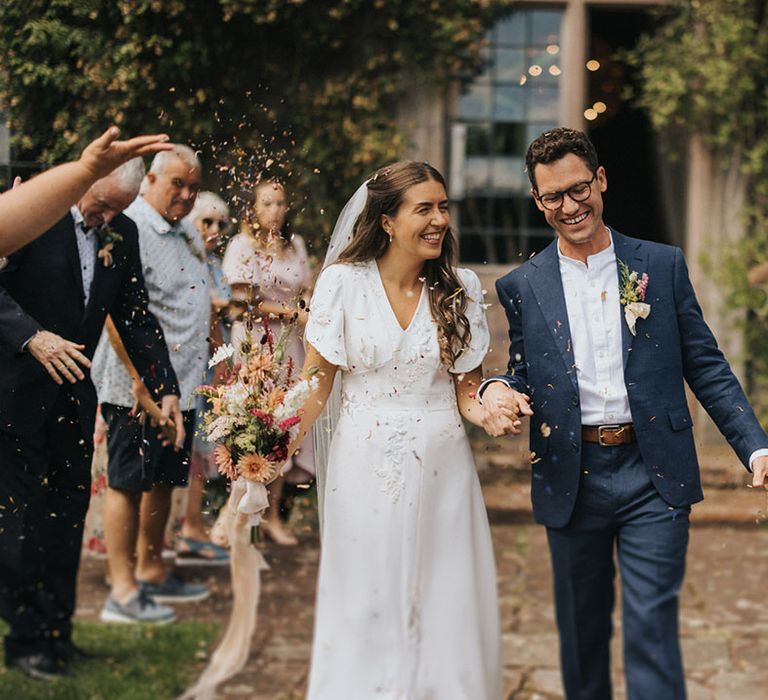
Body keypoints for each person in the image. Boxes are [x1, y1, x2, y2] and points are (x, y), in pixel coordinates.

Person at [480, 127, 768, 699]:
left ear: (601, 180)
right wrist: (494, 389)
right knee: (582, 638)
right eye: (553, 197)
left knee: (652, 630)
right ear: (538, 203)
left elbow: (705, 363)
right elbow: (519, 368)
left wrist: (756, 446)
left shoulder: (659, 265)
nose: (570, 205)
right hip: (572, 474)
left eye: (579, 187)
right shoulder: (523, 284)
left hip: (653, 473)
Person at [283, 161, 502, 698]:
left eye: (443, 207)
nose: (438, 220)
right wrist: (270, 442)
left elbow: (467, 393)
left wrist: (493, 408)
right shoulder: (342, 284)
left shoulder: (460, 288)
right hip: (364, 465)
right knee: (366, 594)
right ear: (385, 220)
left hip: (444, 465)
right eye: (423, 208)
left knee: (445, 595)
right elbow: (315, 386)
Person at [0, 156, 183, 680]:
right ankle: (26, 640)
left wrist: (164, 386)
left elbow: (133, 313)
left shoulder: (120, 231)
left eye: (115, 211)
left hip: (72, 399)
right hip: (13, 395)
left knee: (65, 517)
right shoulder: (33, 208)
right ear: (86, 182)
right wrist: (31, 336)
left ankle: (58, 635)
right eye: (99, 205)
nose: (103, 218)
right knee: (21, 525)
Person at [92, 145, 211, 623]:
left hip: (179, 384)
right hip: (136, 386)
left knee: (162, 479)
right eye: (177, 183)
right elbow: (114, 314)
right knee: (127, 481)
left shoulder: (183, 230)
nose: (186, 193)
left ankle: (153, 569)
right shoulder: (132, 226)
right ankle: (121, 590)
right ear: (150, 181)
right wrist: (141, 382)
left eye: (194, 186)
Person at [222, 179, 314, 545]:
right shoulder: (241, 246)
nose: (275, 210)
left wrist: (307, 311)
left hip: (291, 346)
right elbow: (244, 302)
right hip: (255, 343)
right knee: (249, 423)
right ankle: (236, 516)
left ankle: (273, 515)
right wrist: (292, 312)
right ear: (253, 209)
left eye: (280, 203)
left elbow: (305, 290)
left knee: (284, 425)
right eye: (267, 203)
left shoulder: (295, 246)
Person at [0, 126, 172, 256]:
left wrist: (88, 168)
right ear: (88, 185)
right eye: (103, 204)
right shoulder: (44, 217)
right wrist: (87, 170)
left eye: (119, 210)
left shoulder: (125, 230)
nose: (108, 218)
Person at [174, 191, 232, 564]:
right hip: (194, 364)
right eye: (206, 221)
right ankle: (188, 527)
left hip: (213, 363)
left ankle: (192, 524)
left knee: (204, 447)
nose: (213, 229)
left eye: (220, 224)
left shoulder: (213, 263)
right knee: (193, 447)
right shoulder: (188, 261)